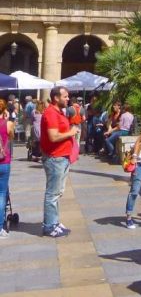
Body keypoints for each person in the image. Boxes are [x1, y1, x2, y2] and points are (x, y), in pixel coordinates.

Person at [41, 86, 80, 238]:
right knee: (52, 193)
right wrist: (71, 132)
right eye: (65, 96)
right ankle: (49, 226)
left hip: (62, 157)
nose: (68, 98)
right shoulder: (50, 113)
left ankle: (55, 222)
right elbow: (53, 136)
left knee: (57, 193)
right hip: (55, 158)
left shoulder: (58, 112)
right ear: (56, 97)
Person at [0, 98, 15, 238]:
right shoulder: (8, 123)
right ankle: (0, 228)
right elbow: (12, 137)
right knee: (2, 194)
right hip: (4, 162)